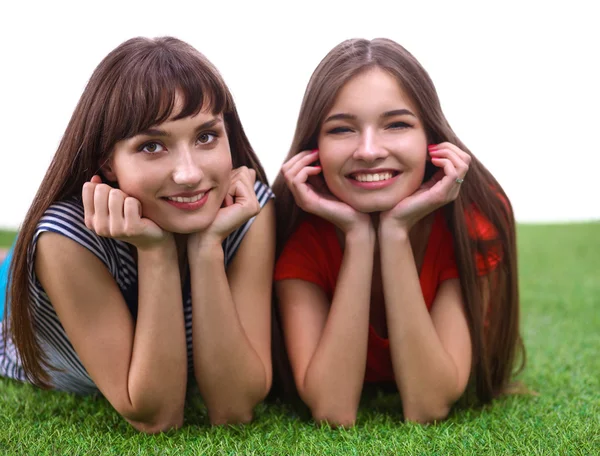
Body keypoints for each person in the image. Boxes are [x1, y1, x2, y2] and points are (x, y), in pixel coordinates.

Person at [0, 37, 275, 433]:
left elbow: (234, 407)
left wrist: (206, 249)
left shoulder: (247, 210)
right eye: (151, 146)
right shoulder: (65, 238)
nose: (189, 174)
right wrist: (156, 252)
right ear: (107, 162)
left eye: (205, 137)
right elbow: (156, 415)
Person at [272, 38, 524, 427]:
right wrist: (358, 236)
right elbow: (332, 409)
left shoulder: (472, 218)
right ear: (313, 148)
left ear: (431, 139)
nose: (369, 150)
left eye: (397, 124)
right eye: (342, 129)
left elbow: (429, 405)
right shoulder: (295, 228)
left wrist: (394, 232)